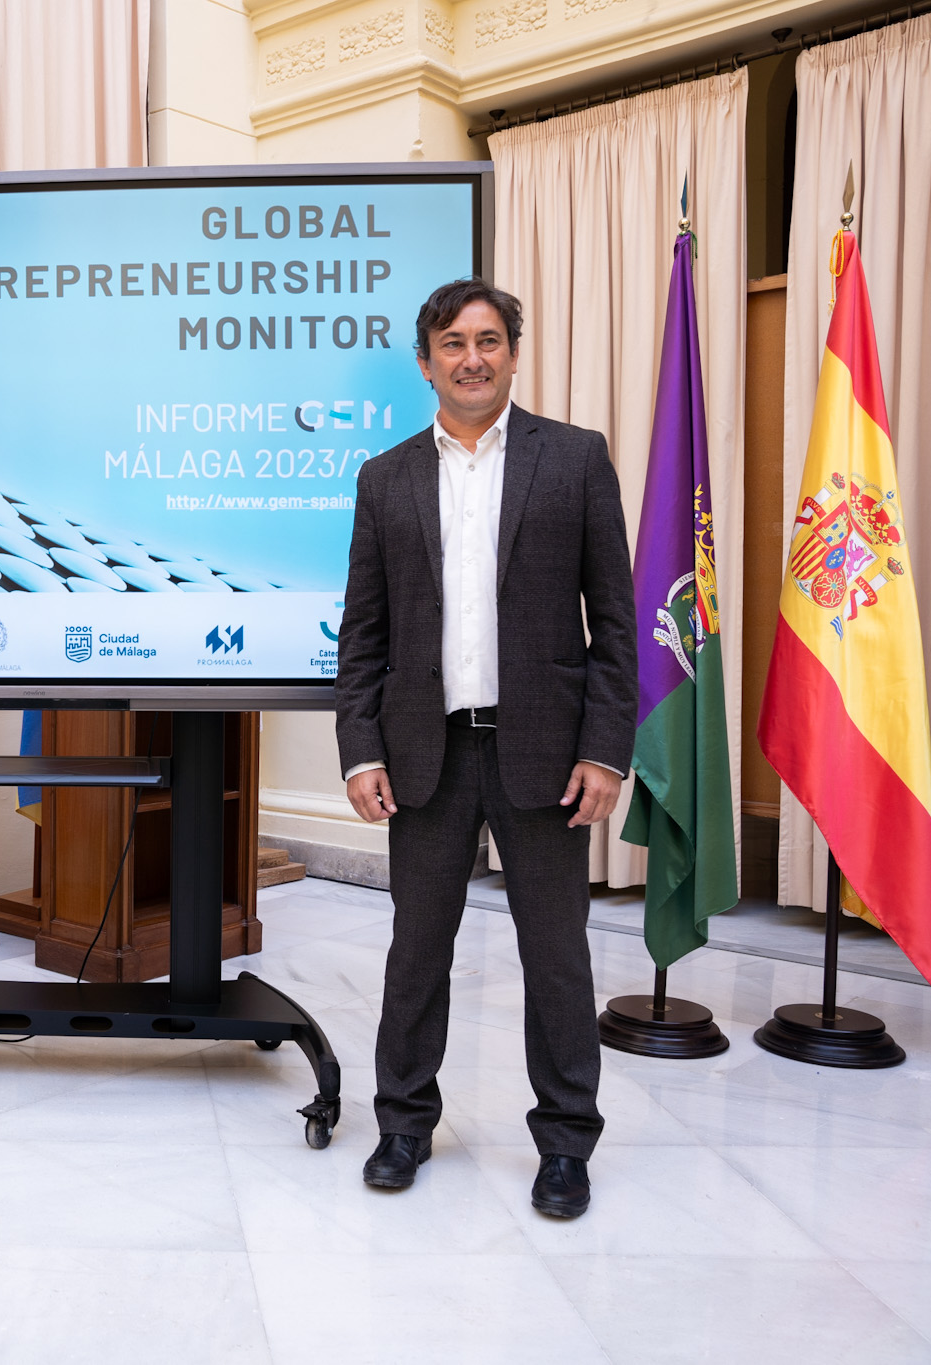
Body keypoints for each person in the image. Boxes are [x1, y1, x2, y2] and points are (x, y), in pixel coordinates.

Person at [334, 279, 634, 1219]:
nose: (473, 358)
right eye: (454, 343)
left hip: (546, 753)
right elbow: (364, 635)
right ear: (426, 363)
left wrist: (606, 750)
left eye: (490, 340)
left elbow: (616, 625)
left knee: (557, 958)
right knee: (416, 952)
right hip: (425, 755)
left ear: (513, 353)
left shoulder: (575, 459)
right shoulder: (384, 478)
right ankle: (403, 1124)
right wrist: (361, 749)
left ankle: (565, 1143)